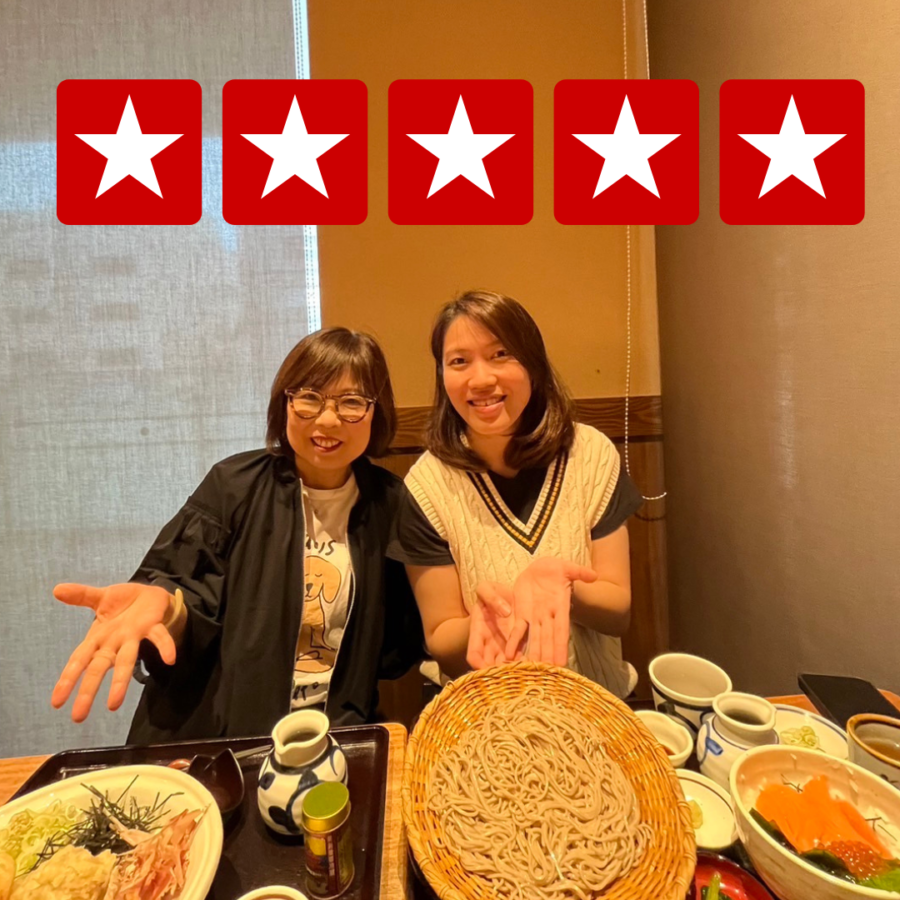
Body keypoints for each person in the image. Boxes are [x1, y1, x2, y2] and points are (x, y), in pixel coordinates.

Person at [51, 328, 424, 742]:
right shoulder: (233, 486)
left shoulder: (390, 506)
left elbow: (396, 644)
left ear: (377, 412)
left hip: (328, 741)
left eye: (352, 402)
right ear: (285, 402)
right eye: (309, 397)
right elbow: (185, 596)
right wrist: (167, 609)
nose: (328, 418)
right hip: (219, 740)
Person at [388, 291, 642, 697]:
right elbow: (440, 636)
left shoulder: (590, 455)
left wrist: (565, 589)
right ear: (442, 376)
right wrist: (484, 623)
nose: (481, 378)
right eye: (459, 361)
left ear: (534, 365)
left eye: (501, 354)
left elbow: (618, 612)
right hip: (485, 718)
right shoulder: (426, 487)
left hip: (596, 706)